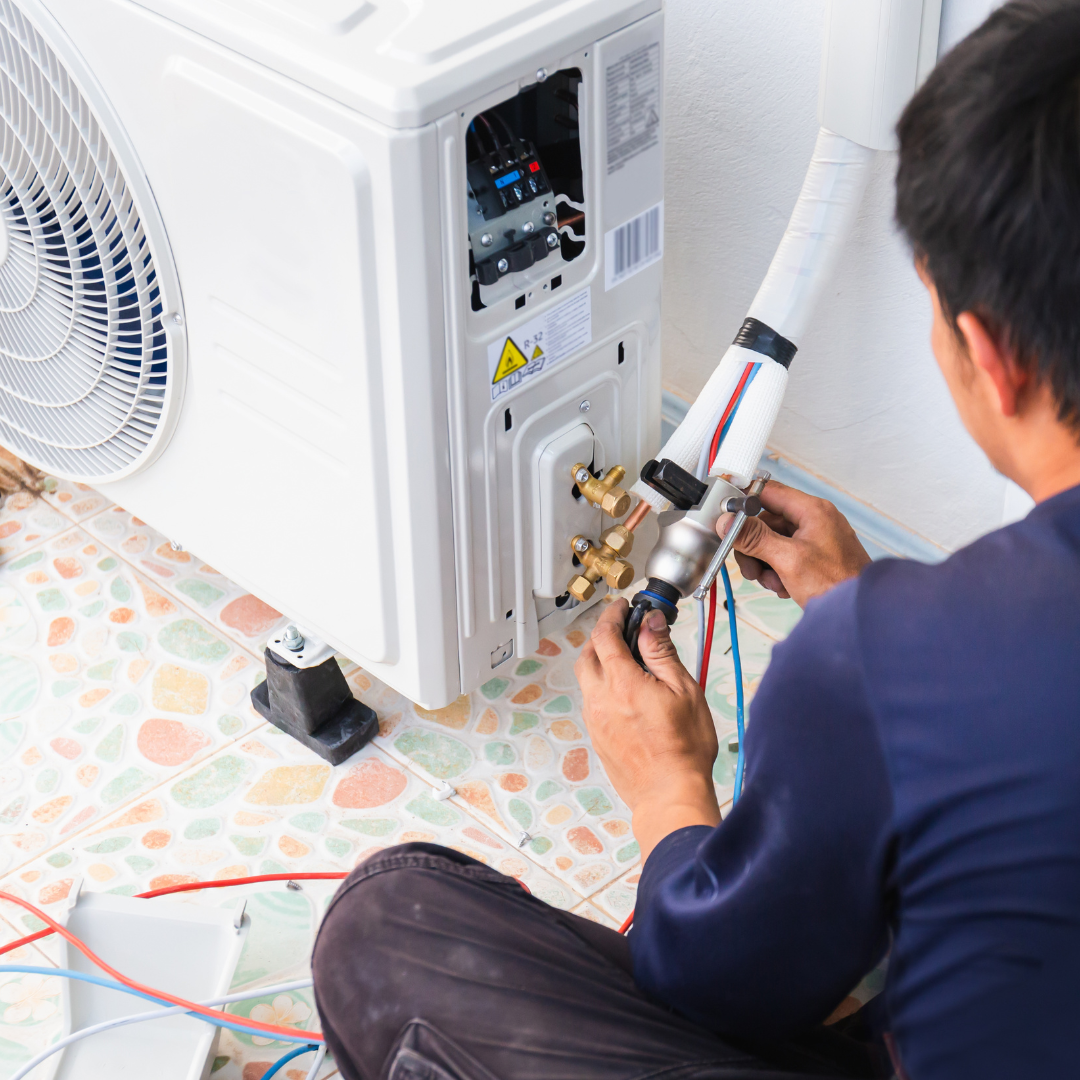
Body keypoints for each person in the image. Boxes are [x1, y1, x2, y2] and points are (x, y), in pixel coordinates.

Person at [311, 3, 1080, 1077]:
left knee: (388, 923)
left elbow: (723, 985)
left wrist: (667, 784)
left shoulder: (884, 661)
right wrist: (887, 619)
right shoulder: (907, 650)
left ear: (989, 357)